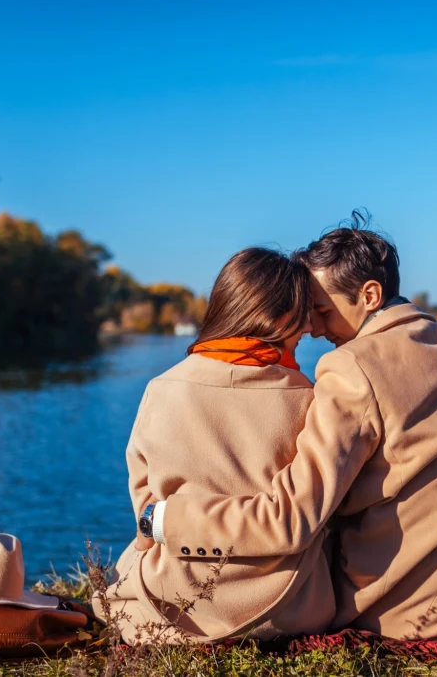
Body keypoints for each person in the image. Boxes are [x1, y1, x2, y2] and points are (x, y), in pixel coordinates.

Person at [142, 214, 437, 640]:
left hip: (413, 616)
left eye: (322, 311)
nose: (315, 329)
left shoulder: (350, 369)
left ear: (370, 295)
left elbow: (293, 516)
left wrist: (165, 519)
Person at [94, 247, 335, 644]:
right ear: (275, 316)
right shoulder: (310, 399)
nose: (309, 327)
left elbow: (146, 511)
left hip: (167, 604)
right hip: (290, 608)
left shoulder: (161, 390)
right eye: (302, 313)